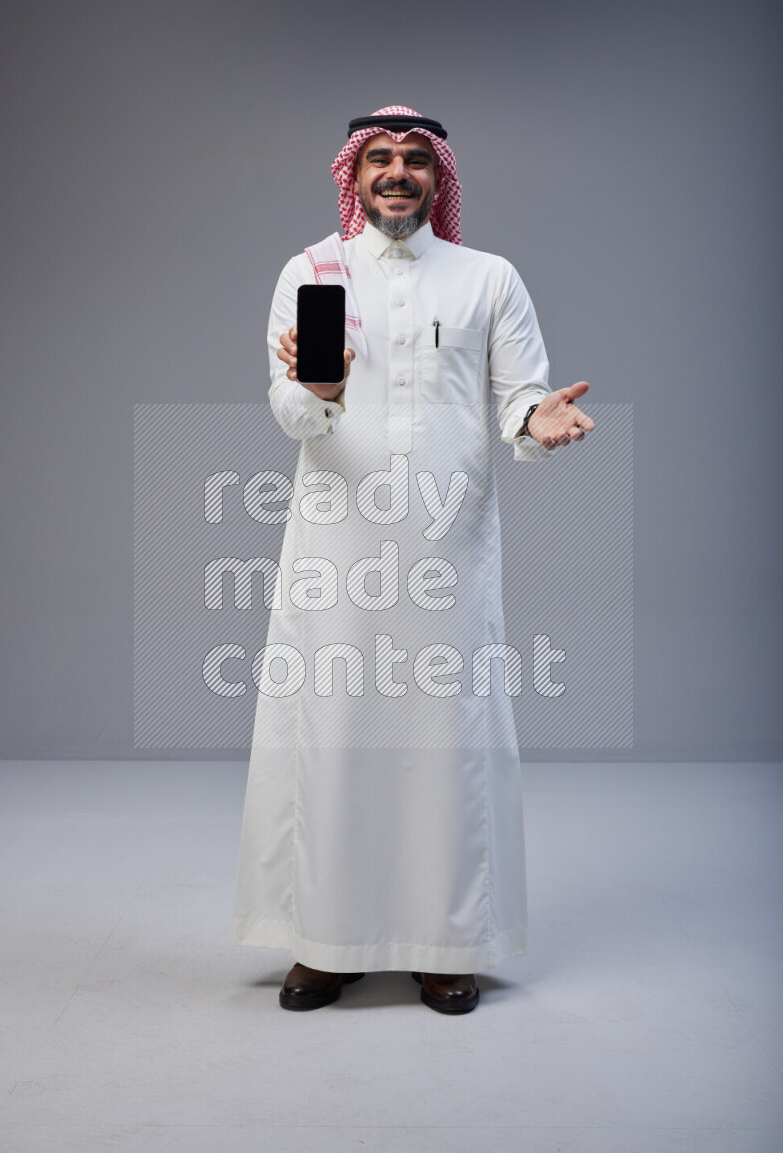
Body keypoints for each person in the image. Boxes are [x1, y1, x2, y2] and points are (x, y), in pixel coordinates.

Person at [233, 106, 594, 1014]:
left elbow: (519, 395)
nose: (396, 173)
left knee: (445, 742)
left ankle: (445, 941)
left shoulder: (487, 278)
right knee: (335, 732)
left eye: (415, 161)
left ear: (440, 177)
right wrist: (316, 387)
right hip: (337, 544)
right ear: (353, 176)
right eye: (380, 159)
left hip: (447, 545)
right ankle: (324, 941)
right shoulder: (312, 272)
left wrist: (536, 421)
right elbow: (288, 411)